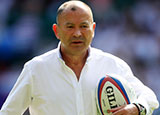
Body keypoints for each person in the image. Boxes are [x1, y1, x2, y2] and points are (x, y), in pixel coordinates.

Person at [0, 0, 159, 115]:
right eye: (70, 27)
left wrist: (135, 108)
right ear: (56, 31)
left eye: (84, 26)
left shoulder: (113, 65)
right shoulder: (35, 68)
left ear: (93, 29)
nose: (77, 33)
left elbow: (149, 96)